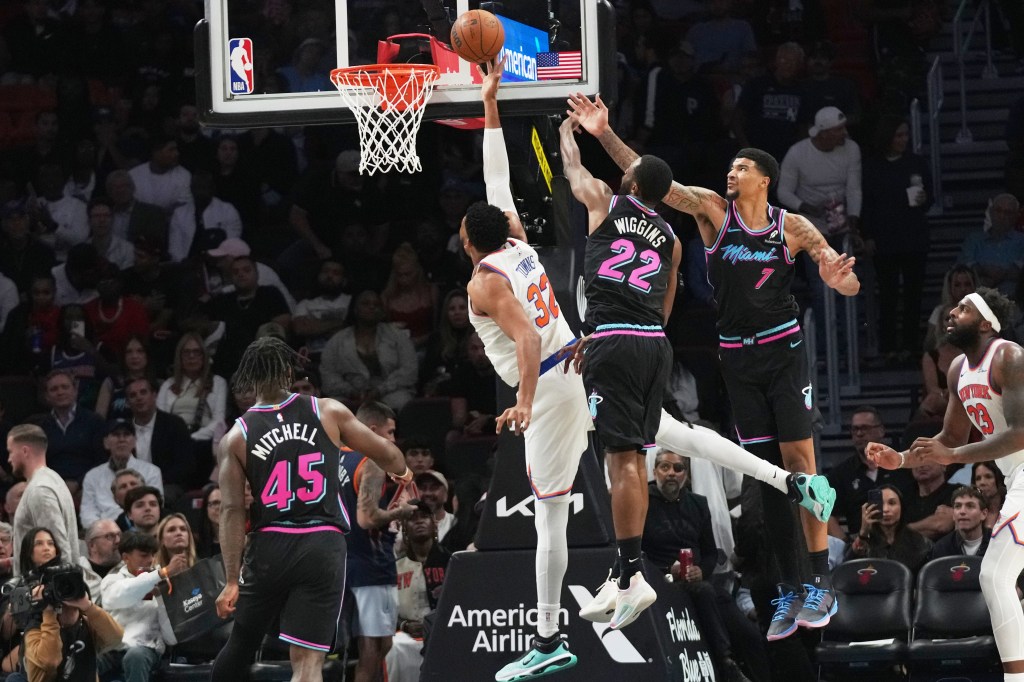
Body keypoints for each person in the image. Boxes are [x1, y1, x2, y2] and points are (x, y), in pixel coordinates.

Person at [567, 92, 855, 641]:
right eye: (730, 165)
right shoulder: (710, 210)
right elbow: (650, 178)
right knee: (765, 478)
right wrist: (603, 133)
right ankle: (788, 589)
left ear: (764, 178)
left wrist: (842, 280)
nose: (731, 171)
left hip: (782, 351)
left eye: (741, 167)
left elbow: (838, 272)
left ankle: (820, 580)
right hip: (735, 355)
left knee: (801, 458)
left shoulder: (790, 226)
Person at [212, 337, 409, 682]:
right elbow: (390, 455)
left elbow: (230, 512)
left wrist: (231, 579)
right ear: (290, 371)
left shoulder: (235, 437)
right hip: (322, 543)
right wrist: (403, 474)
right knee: (307, 662)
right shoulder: (327, 410)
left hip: (270, 545)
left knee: (242, 643)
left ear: (249, 379)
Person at [559, 101, 680, 633]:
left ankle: (632, 574)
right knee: (631, 456)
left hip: (615, 342)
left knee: (621, 460)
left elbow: (571, 168)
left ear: (631, 183)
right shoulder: (673, 241)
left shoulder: (605, 201)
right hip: (654, 344)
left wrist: (567, 131)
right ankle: (623, 570)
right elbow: (666, 306)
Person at [866, 286, 1024, 679]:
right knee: (997, 576)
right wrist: (900, 460)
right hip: (1015, 473)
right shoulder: (957, 370)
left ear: (986, 322)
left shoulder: (1009, 356)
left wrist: (953, 457)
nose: (951, 313)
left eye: (963, 308)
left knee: (994, 574)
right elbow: (951, 439)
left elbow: (1021, 433)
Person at [643, 450, 762, 682]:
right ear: (655, 470)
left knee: (750, 636)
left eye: (678, 469)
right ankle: (726, 663)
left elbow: (709, 553)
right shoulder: (644, 503)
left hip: (698, 582)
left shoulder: (698, 504)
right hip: (660, 584)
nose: (671, 473)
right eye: (665, 467)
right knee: (705, 592)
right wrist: (667, 572)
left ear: (686, 475)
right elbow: (636, 551)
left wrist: (702, 570)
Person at [340, 401, 415, 682]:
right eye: (390, 432)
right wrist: (402, 511)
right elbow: (367, 518)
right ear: (372, 430)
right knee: (376, 645)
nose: (393, 440)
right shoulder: (371, 460)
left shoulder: (336, 457)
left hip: (342, 561)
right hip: (370, 563)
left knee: (362, 645)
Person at [99, 531, 183, 682]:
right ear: (125, 558)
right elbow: (124, 594)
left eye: (152, 555)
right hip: (113, 650)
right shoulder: (112, 581)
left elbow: (171, 638)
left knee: (135, 656)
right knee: (85, 659)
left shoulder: (165, 584)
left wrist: (162, 599)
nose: (150, 560)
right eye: (144, 555)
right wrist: (161, 573)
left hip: (146, 649)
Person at [385, 499, 451, 682]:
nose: (420, 521)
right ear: (404, 527)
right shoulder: (394, 567)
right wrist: (404, 626)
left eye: (425, 517)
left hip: (443, 634)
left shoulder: (451, 562)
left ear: (434, 524)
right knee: (392, 646)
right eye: (413, 518)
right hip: (406, 636)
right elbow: (387, 609)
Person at [320, 290, 418, 411]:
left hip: (390, 392)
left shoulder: (398, 336)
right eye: (365, 303)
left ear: (382, 311)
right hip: (349, 394)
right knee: (333, 406)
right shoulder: (337, 341)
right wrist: (352, 392)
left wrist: (380, 390)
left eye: (376, 305)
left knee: (402, 401)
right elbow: (328, 374)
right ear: (355, 309)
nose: (372, 307)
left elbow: (409, 369)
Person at [827, 406, 915, 539]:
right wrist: (846, 546)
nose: (859, 433)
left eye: (865, 428)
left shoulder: (902, 465)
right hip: (862, 543)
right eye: (855, 429)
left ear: (881, 431)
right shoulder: (841, 474)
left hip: (903, 539)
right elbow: (829, 515)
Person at [7, 425, 80, 573]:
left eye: (10, 452)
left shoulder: (40, 490)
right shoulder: (53, 479)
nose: (9, 459)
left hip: (46, 592)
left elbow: (58, 549)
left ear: (25, 451)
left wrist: (62, 592)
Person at [80, 420, 164, 528]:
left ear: (134, 442)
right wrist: (105, 530)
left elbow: (156, 506)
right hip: (104, 532)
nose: (121, 439)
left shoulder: (152, 471)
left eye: (126, 434)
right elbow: (87, 514)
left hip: (141, 528)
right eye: (116, 435)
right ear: (106, 442)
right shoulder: (92, 476)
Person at [845, 484, 932, 573]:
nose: (886, 509)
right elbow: (847, 572)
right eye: (880, 504)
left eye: (892, 503)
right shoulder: (858, 540)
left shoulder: (920, 542)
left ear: (902, 508)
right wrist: (863, 534)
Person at [957, 194, 1024, 296]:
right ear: (991, 213)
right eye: (998, 211)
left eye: (1008, 212)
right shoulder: (974, 240)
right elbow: (962, 267)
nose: (1002, 216)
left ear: (1016, 216)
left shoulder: (1022, 241)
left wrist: (1000, 274)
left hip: (1016, 301)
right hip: (977, 301)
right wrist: (983, 270)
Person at [929, 485, 991, 559]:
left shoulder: (999, 542)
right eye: (958, 506)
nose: (962, 511)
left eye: (970, 506)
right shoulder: (942, 548)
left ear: (983, 514)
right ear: (953, 515)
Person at [78, 519, 123, 603]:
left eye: (119, 535)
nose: (118, 540)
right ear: (92, 545)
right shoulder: (77, 571)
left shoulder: (129, 569)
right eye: (110, 536)